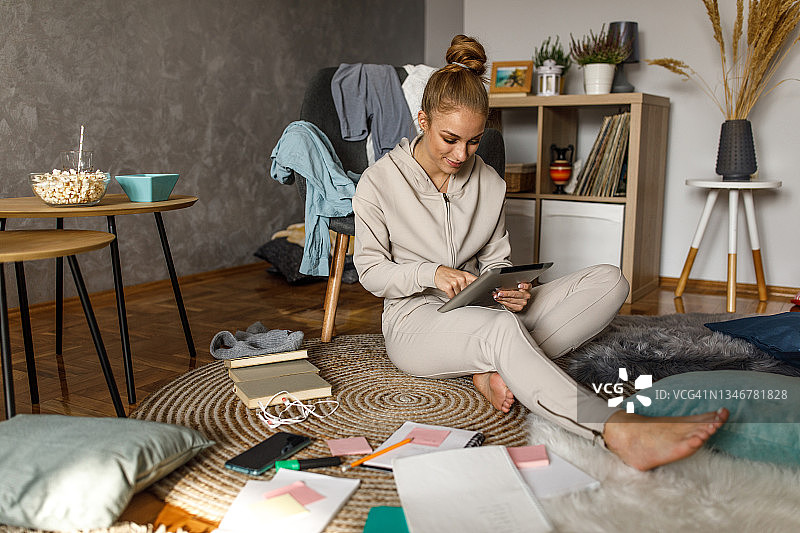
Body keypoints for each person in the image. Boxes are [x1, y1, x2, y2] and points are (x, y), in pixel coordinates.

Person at [352, 34, 728, 471]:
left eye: (473, 141)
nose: (461, 154)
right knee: (502, 331)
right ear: (422, 120)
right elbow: (371, 271)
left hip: (483, 308)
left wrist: (510, 287)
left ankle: (490, 368)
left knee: (610, 281)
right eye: (450, 139)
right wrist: (430, 273)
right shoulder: (379, 182)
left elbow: (497, 259)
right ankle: (615, 430)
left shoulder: (489, 182)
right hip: (416, 320)